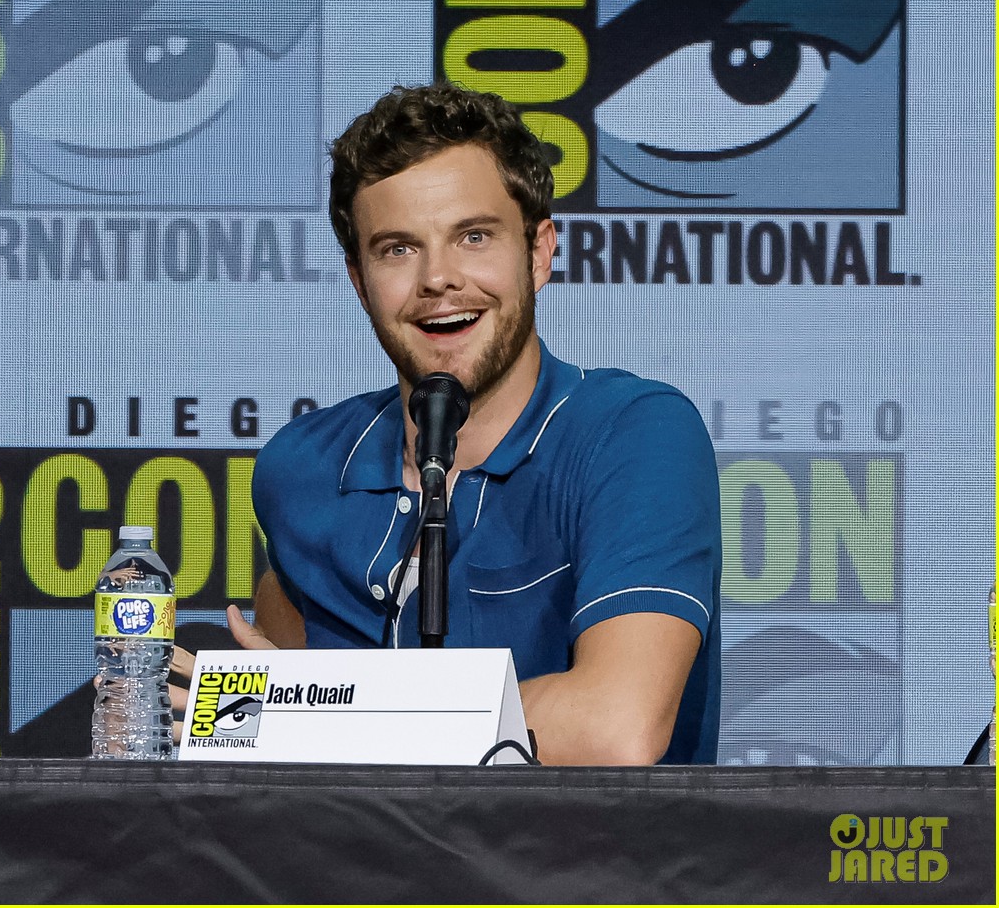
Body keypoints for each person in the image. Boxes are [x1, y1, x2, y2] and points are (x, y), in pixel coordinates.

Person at [171, 82, 722, 765]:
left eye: (474, 236)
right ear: (358, 277)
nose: (438, 278)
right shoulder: (301, 469)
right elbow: (280, 749)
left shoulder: (634, 434)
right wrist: (270, 715)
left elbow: (615, 726)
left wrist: (313, 713)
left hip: (583, 868)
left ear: (540, 251)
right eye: (398, 249)